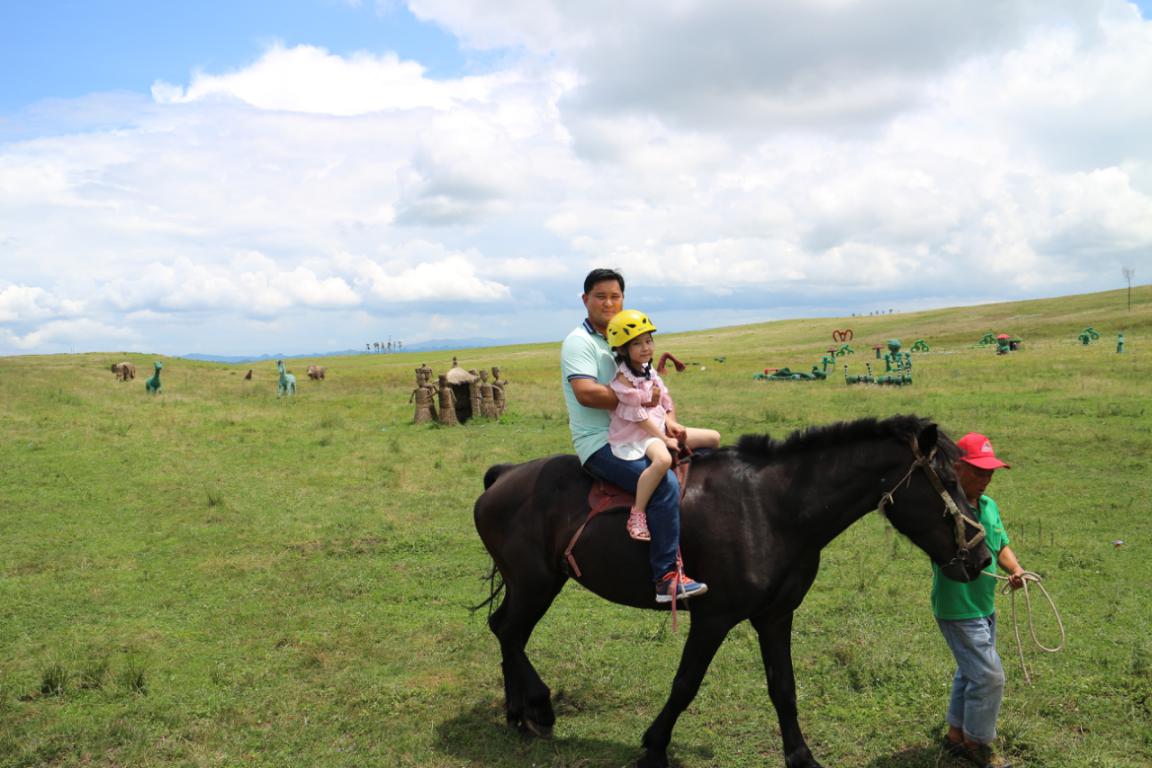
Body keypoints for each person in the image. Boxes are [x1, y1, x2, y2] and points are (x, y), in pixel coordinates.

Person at [560, 268, 709, 604]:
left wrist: (667, 418)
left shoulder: (627, 337)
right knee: (664, 484)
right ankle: (666, 578)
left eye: (615, 296)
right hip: (601, 441)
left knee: (707, 452)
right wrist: (640, 402)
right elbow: (586, 393)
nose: (609, 303)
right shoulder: (579, 343)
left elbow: (655, 386)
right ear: (586, 300)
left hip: (639, 432)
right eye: (600, 296)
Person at [935, 433, 1026, 768]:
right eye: (979, 471)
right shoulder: (945, 511)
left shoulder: (989, 507)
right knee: (990, 677)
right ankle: (977, 742)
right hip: (957, 608)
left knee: (970, 672)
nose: (987, 479)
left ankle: (956, 735)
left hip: (984, 606)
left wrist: (1015, 569)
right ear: (958, 468)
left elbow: (1000, 545)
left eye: (991, 472)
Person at [605, 308, 720, 542]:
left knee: (713, 438)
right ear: (623, 349)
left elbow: (665, 400)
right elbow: (638, 417)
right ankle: (637, 513)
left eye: (648, 341)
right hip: (638, 435)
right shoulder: (623, 379)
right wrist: (664, 438)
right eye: (637, 344)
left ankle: (702, 493)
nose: (646, 347)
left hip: (657, 427)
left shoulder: (649, 370)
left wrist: (671, 422)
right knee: (663, 460)